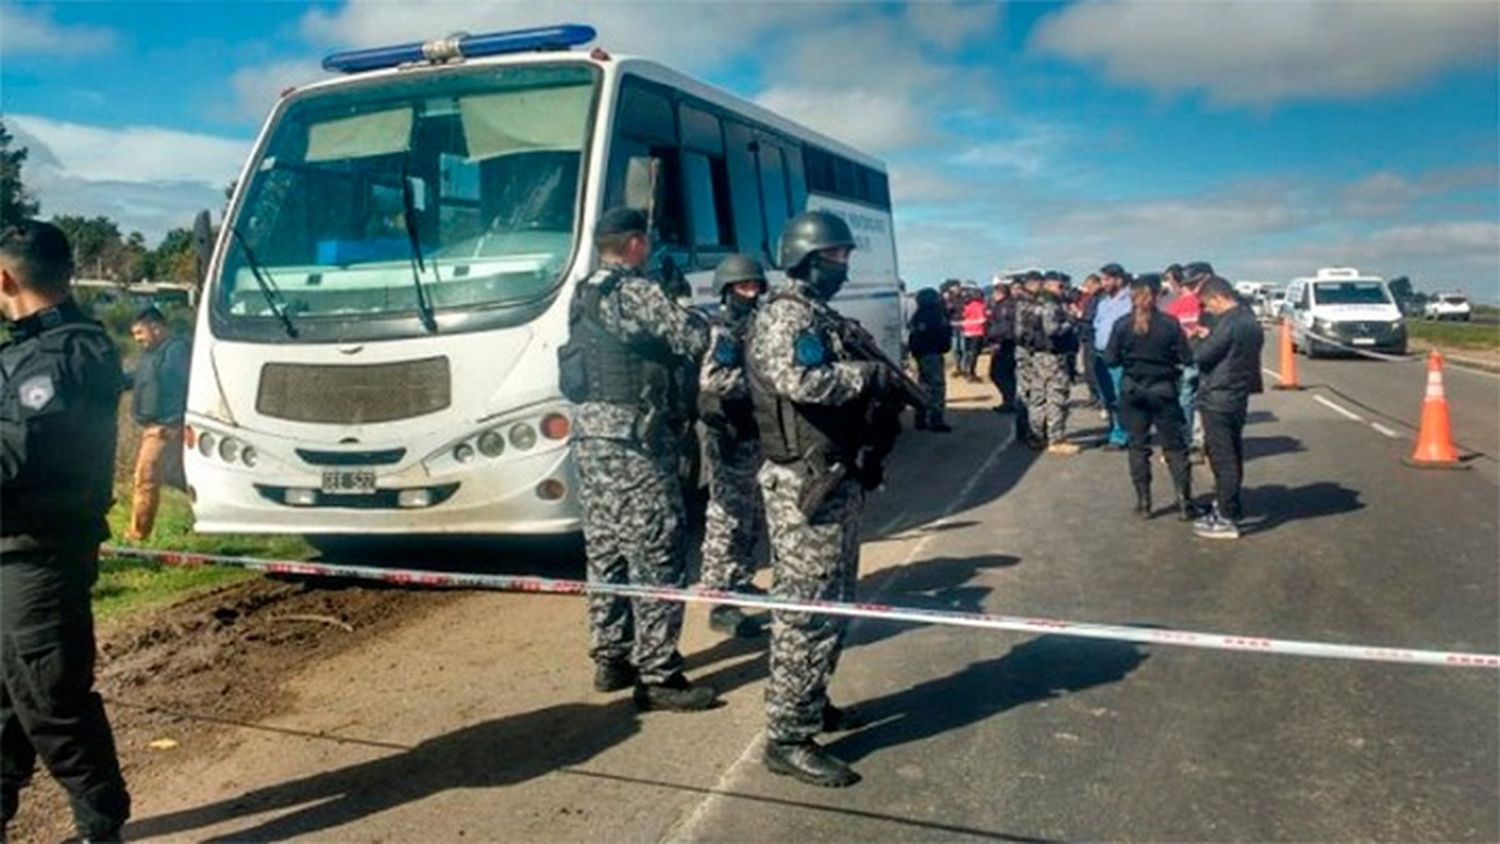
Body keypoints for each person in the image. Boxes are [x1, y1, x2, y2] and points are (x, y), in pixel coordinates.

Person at [747, 210, 895, 787]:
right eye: (837, 256)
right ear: (810, 259)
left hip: (834, 476)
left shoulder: (816, 313)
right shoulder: (785, 317)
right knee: (804, 610)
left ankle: (811, 702)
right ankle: (787, 737)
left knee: (835, 601)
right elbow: (801, 381)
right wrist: (866, 377)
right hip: (803, 483)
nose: (844, 265)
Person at [0, 220, 131, 842]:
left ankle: (100, 825)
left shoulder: (58, 355)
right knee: (6, 696)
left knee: (53, 699)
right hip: (17, 550)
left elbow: (16, 457)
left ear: (4, 278)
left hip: (40, 553)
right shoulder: (41, 347)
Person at [559, 207, 715, 710]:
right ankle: (659, 674)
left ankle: (611, 658)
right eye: (643, 242)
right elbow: (693, 338)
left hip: (591, 440)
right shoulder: (640, 290)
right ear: (632, 245)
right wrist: (682, 302)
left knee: (605, 552)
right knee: (657, 551)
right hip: (636, 441)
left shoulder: (583, 294)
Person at [698, 254, 770, 637]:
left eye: (755, 286)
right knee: (727, 516)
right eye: (743, 286)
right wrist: (761, 388)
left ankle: (739, 578)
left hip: (755, 433)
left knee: (752, 513)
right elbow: (714, 380)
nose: (751, 292)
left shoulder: (757, 324)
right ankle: (720, 599)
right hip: (730, 434)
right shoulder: (722, 329)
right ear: (727, 290)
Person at [1104, 274, 1196, 519]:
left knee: (1138, 447)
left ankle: (1144, 503)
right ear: (1157, 296)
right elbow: (1187, 358)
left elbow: (1110, 359)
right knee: (1175, 448)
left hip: (1133, 390)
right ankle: (1185, 502)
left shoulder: (1122, 324)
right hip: (1164, 390)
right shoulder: (1170, 324)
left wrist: (1130, 361)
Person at [1190, 275, 1265, 540]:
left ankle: (1226, 516)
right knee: (1232, 451)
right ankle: (1228, 506)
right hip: (1238, 392)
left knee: (1223, 458)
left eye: (1207, 305)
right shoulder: (1250, 320)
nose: (1207, 311)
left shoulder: (1229, 322)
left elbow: (1201, 357)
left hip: (1219, 395)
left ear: (1218, 298)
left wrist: (1200, 339)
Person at [121, 306, 190, 543]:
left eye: (140, 333)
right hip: (154, 427)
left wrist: (174, 422)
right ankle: (216, 508)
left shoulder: (178, 351)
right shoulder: (151, 355)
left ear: (156, 327)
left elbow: (184, 387)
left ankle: (137, 535)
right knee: (177, 476)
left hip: (165, 428)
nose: (137, 339)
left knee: (145, 478)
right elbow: (136, 379)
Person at [1033, 272, 1081, 455]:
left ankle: (1037, 434)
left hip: (1039, 354)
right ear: (1049, 285)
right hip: (1052, 355)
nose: (1063, 290)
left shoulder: (1035, 302)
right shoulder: (1050, 305)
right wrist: (1070, 321)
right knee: (1056, 396)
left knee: (1039, 396)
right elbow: (1052, 329)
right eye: (1060, 286)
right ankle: (1056, 438)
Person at [1161, 264, 1204, 456]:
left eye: (1170, 281)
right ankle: (1201, 439)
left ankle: (1187, 440)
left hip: (1186, 358)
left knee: (1186, 398)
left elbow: (1169, 337)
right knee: (1202, 400)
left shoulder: (1175, 307)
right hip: (1207, 356)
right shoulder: (1205, 304)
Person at [1092, 263, 1133, 448]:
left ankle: (1122, 435)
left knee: (1120, 396)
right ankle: (1114, 430)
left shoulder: (1130, 301)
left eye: (1107, 279)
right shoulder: (1103, 302)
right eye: (1102, 279)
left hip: (1119, 355)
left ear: (1119, 279)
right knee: (1107, 396)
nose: (1103, 283)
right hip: (1100, 354)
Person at [907, 287, 952, 431]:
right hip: (932, 353)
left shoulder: (918, 315)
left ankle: (920, 418)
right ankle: (936, 420)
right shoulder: (936, 314)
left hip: (920, 354)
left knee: (922, 386)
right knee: (936, 387)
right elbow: (943, 333)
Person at [1011, 271, 1043, 447]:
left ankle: (1023, 430)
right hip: (1027, 352)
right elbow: (1024, 332)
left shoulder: (1021, 302)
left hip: (1024, 350)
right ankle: (1029, 432)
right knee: (1029, 393)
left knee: (1025, 392)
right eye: (1039, 283)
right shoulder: (1027, 304)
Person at [984, 282, 1018, 413]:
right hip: (1006, 343)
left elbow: (1003, 327)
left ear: (1000, 293)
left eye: (994, 293)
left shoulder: (1005, 307)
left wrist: (994, 339)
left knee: (997, 373)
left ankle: (1009, 401)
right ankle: (1010, 400)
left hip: (1004, 344)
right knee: (1008, 375)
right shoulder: (1007, 305)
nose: (993, 296)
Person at [1075, 274, 1104, 408]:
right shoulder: (1092, 298)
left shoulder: (1101, 298)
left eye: (1089, 286)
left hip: (1093, 337)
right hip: (1086, 336)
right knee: (1088, 369)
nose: (1087, 289)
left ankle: (1100, 397)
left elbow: (1092, 317)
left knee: (1094, 369)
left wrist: (1080, 315)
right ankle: (1094, 395)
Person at [958, 288, 987, 382]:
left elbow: (964, 315)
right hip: (977, 332)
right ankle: (971, 372)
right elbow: (983, 318)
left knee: (968, 353)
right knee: (975, 354)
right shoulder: (982, 306)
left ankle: (966, 370)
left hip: (967, 332)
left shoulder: (968, 306)